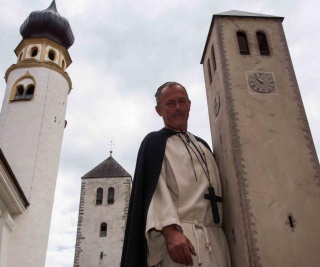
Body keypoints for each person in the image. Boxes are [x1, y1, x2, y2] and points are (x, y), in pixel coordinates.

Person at [121, 82, 231, 267]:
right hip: (182, 242)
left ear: (189, 104)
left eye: (182, 101)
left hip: (217, 239)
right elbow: (154, 191)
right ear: (159, 110)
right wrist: (170, 231)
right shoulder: (154, 143)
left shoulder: (203, 146)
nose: (178, 107)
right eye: (170, 103)